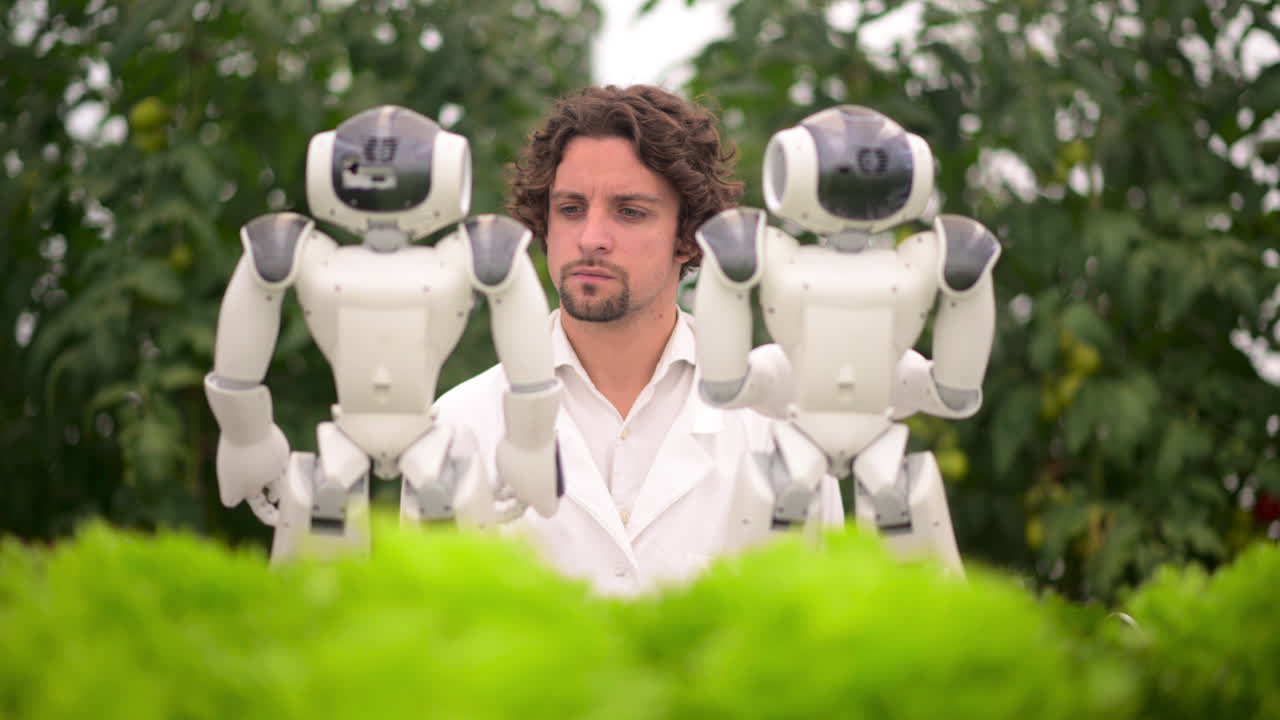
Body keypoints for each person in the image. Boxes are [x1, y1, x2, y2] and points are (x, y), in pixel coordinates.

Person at [434, 85, 842, 595]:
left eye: (629, 211)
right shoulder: (461, 423)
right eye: (571, 208)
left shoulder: (778, 422)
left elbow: (824, 622)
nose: (591, 238)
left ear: (691, 234)